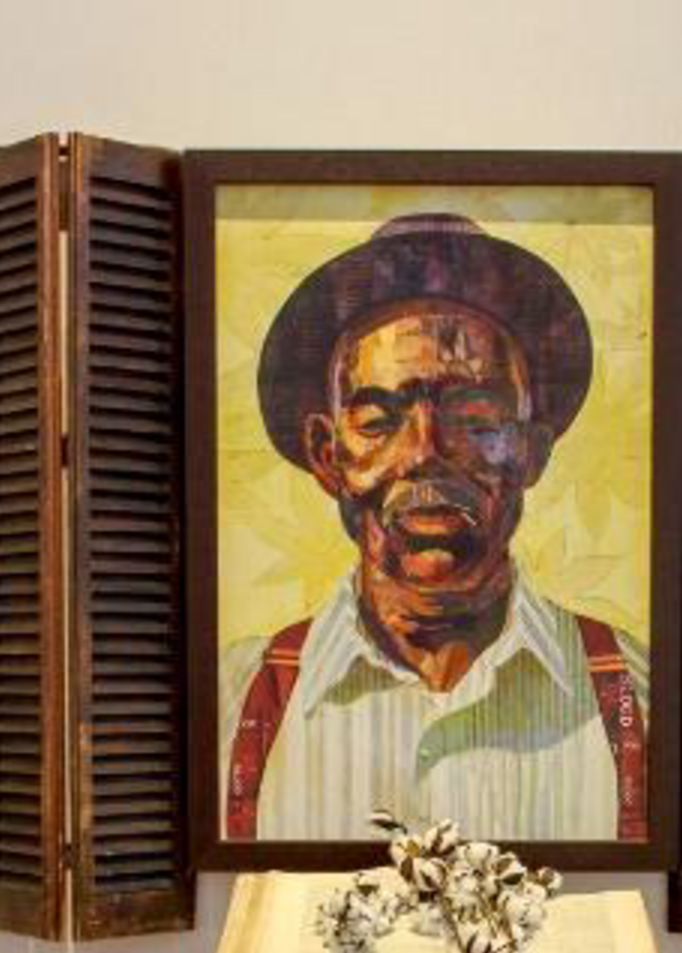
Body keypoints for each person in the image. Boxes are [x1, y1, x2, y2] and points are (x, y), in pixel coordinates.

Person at [221, 213, 648, 842]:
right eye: (376, 419)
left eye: (475, 415)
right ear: (326, 453)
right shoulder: (234, 705)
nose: (424, 451)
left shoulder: (637, 696)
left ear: (531, 452)